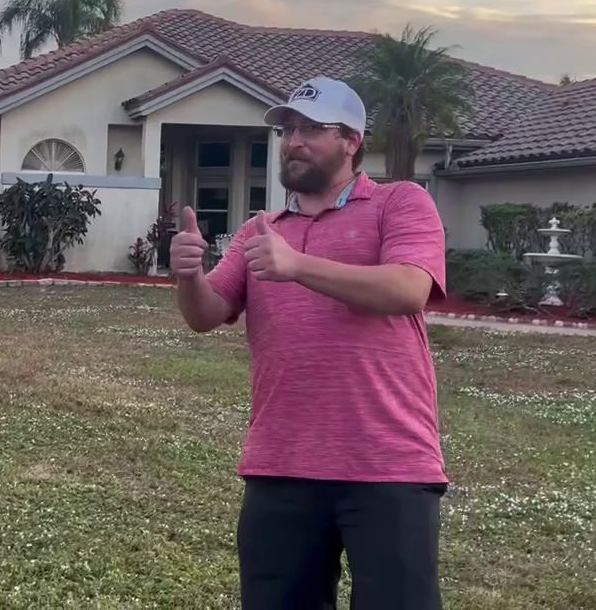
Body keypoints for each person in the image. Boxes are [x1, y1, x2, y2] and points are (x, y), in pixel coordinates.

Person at [171, 76, 448, 609]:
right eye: (287, 129)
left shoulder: (400, 203)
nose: (293, 140)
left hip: (388, 464)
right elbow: (207, 315)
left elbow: (409, 288)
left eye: (312, 129)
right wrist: (189, 276)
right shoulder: (261, 230)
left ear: (351, 141)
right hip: (281, 464)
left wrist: (298, 266)